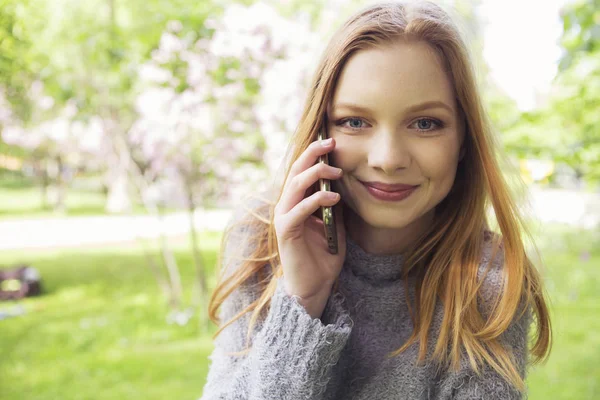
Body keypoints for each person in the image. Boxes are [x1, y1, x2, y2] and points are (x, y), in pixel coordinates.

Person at [200, 1, 552, 399]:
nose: (387, 159)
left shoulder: (487, 284)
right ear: (319, 130)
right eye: (355, 122)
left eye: (425, 124)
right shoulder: (261, 241)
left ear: (463, 142)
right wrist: (301, 301)